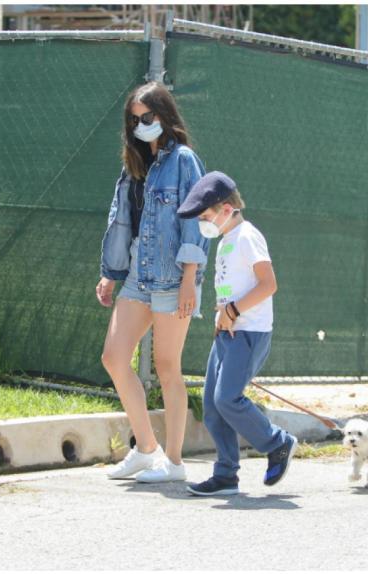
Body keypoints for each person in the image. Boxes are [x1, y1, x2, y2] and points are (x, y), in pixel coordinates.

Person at [97, 81, 209, 483]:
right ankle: (146, 449)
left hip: (173, 274)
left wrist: (189, 280)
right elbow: (122, 220)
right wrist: (110, 274)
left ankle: (175, 464)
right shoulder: (135, 162)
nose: (141, 125)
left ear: (165, 115)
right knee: (113, 357)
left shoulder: (184, 160)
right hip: (136, 274)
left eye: (148, 117)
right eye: (134, 120)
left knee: (167, 368)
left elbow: (196, 220)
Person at [176, 171, 298, 496]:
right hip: (228, 333)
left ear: (226, 208)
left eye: (206, 216)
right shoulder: (228, 240)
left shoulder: (247, 236)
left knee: (227, 398)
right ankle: (226, 474)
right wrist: (223, 314)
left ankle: (278, 443)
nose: (204, 222)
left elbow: (268, 284)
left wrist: (233, 311)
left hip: (249, 332)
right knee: (213, 407)